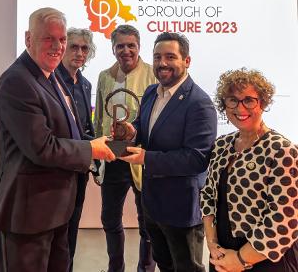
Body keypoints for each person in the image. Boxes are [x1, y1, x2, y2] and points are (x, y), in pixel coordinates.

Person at [0, 7, 115, 272]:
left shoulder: (49, 77)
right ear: (28, 39)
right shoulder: (17, 81)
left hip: (55, 209)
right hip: (28, 214)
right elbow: (42, 147)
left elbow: (68, 131)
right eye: (49, 38)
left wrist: (99, 141)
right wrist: (89, 149)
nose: (58, 46)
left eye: (61, 40)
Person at [120, 32, 217, 272]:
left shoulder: (199, 103)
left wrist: (146, 158)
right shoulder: (152, 92)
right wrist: (131, 131)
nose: (162, 63)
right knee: (164, 266)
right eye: (157, 57)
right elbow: (145, 129)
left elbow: (197, 159)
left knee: (187, 268)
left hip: (182, 209)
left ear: (187, 61)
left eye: (170, 57)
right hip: (152, 204)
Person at [201, 68, 298, 272]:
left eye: (249, 100)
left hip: (266, 258)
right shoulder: (221, 145)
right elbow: (208, 196)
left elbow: (284, 219)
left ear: (262, 102)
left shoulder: (282, 151)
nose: (240, 107)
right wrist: (212, 243)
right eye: (232, 100)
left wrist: (240, 259)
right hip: (222, 254)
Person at [94, 24, 157, 272]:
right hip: (112, 156)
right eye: (120, 45)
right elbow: (99, 118)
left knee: (147, 223)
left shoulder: (154, 75)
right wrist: (97, 160)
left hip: (141, 157)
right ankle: (115, 268)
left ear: (139, 46)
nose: (126, 50)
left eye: (131, 45)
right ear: (113, 48)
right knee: (109, 219)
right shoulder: (104, 76)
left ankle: (145, 268)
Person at [55, 27, 97, 272]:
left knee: (71, 232)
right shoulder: (51, 80)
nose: (80, 53)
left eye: (84, 48)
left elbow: (84, 128)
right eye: (74, 47)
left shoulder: (85, 84)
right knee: (56, 236)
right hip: (57, 171)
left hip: (79, 171)